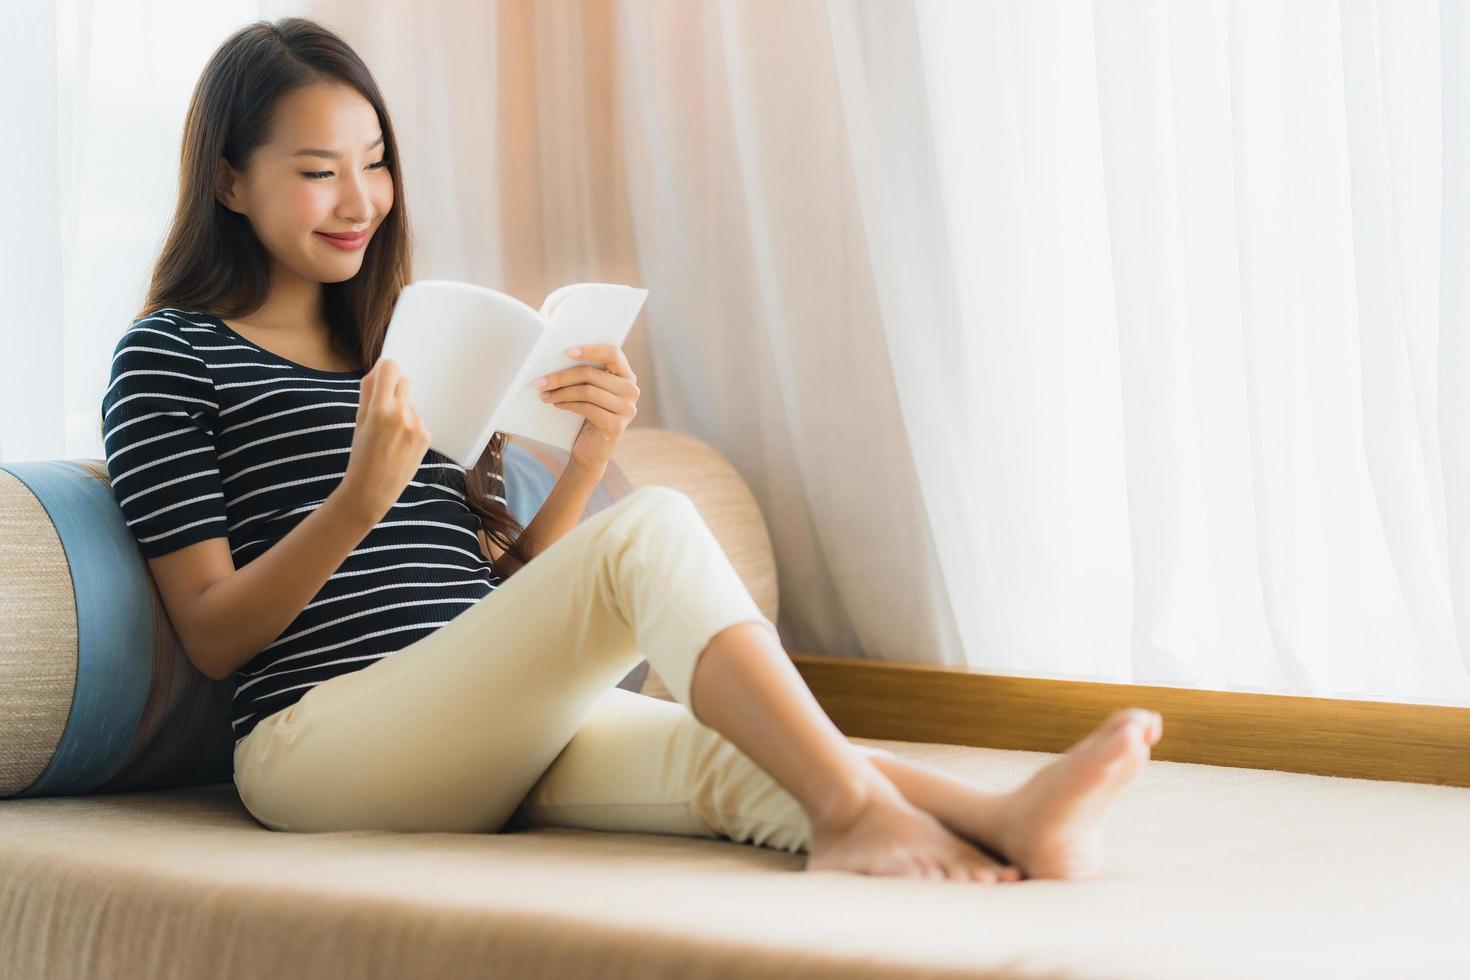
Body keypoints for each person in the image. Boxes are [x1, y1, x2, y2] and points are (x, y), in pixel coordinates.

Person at [99, 16, 1163, 885]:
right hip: (317, 744)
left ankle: (1001, 817)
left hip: (465, 712)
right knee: (651, 527)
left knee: (725, 757)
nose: (362, 200)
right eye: (319, 170)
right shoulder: (169, 357)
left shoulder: (400, 339)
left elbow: (503, 580)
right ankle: (849, 814)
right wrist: (355, 500)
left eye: (376, 164)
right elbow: (213, 635)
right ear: (230, 181)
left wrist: (585, 451)